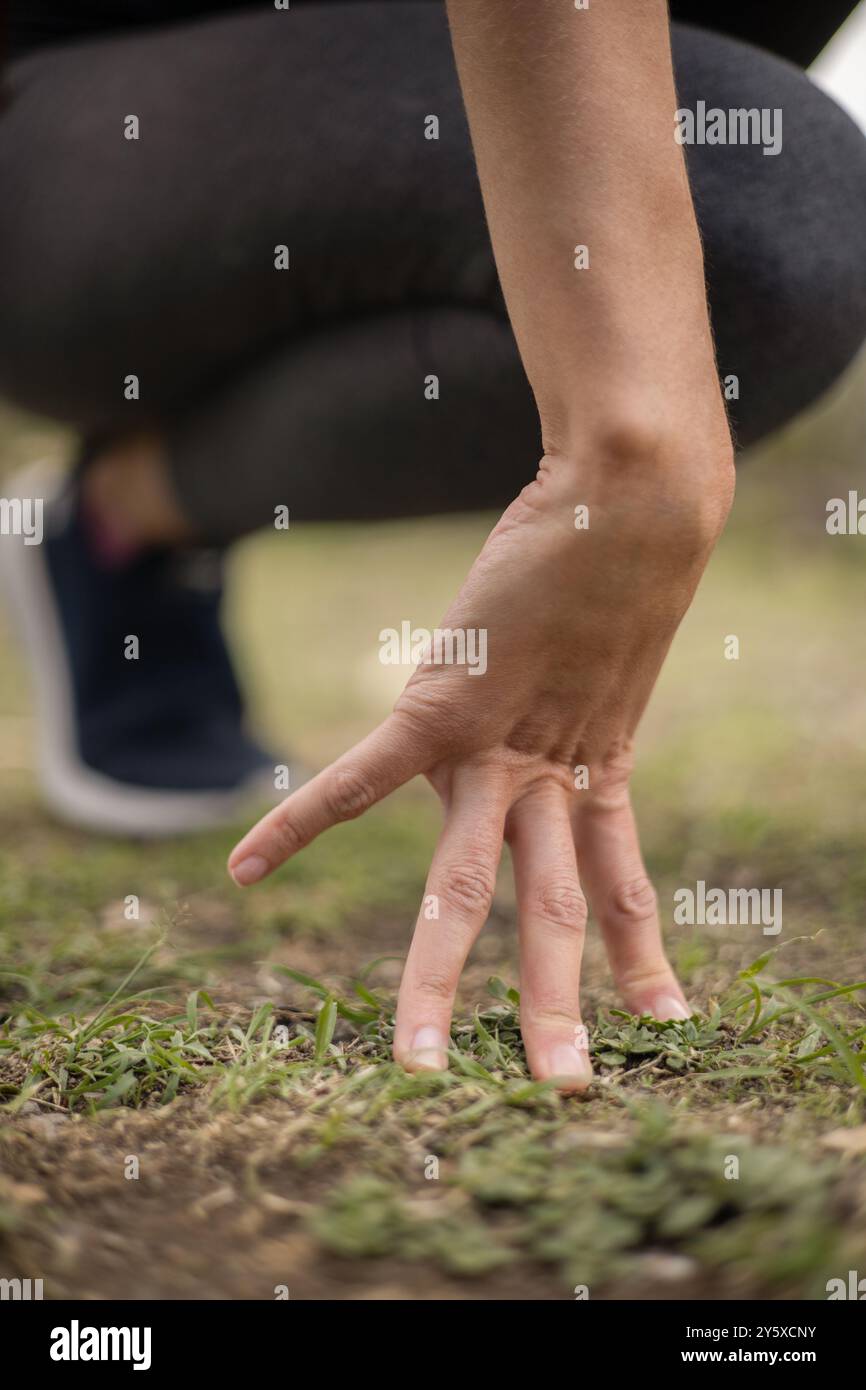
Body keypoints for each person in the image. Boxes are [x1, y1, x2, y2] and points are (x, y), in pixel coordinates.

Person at [1, 1, 864, 1087]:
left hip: (432, 140)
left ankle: (128, 516)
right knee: (755, 194)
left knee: (743, 215)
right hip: (66, 142)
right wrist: (631, 458)